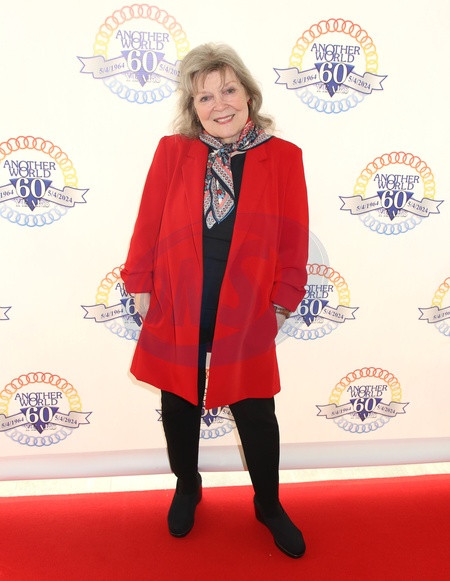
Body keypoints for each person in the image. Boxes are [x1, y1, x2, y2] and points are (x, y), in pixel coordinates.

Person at [121, 43, 309, 558]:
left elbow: (294, 236)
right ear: (193, 106)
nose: (219, 104)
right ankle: (188, 485)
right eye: (204, 97)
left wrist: (282, 302)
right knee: (177, 401)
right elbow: (148, 220)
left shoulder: (283, 157)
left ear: (248, 95)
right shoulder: (173, 151)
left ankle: (268, 505)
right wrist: (139, 283)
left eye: (228, 90)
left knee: (256, 410)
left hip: (246, 306)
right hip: (180, 300)